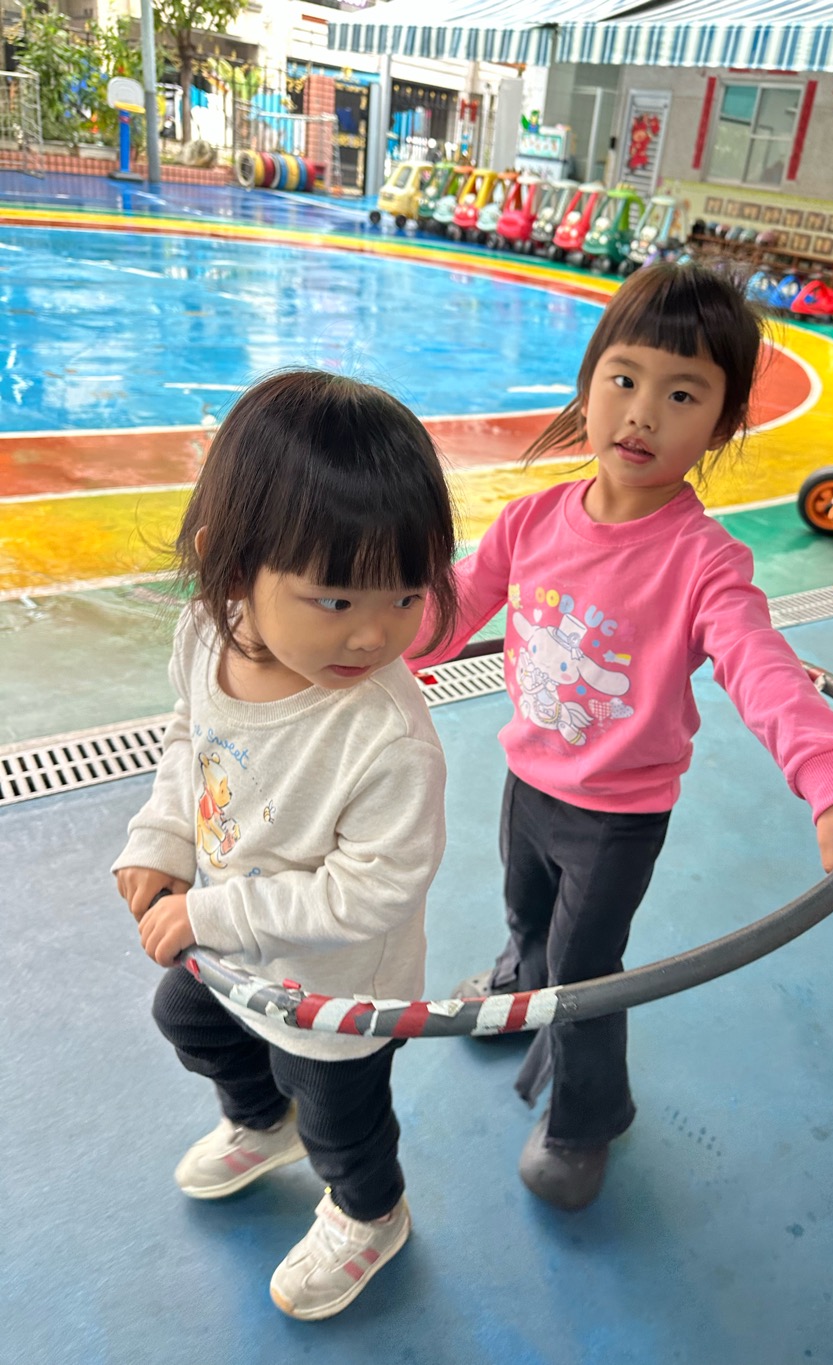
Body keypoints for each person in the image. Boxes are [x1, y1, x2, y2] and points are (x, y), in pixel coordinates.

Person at [408, 263, 833, 1212]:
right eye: (624, 378)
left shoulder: (703, 562)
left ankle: (585, 1118)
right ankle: (519, 980)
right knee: (524, 910)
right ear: (588, 382)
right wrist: (361, 644)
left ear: (721, 425)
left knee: (586, 976)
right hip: (527, 780)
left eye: (682, 394)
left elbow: (761, 665)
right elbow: (446, 614)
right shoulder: (529, 521)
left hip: (617, 815)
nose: (642, 412)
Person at [112, 369, 457, 1319]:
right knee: (188, 1021)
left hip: (333, 987)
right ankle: (263, 1121)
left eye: (406, 594)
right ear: (233, 572)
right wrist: (163, 835)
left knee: (344, 1121)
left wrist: (210, 910)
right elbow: (191, 738)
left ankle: (370, 1213)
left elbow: (370, 892)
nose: (376, 633)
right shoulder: (206, 635)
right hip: (231, 945)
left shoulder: (386, 739)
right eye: (335, 600)